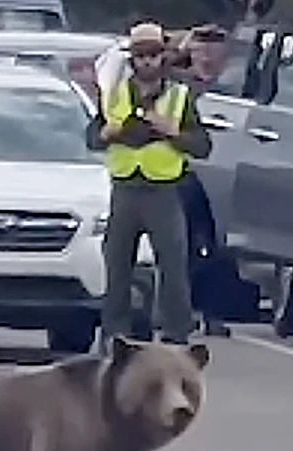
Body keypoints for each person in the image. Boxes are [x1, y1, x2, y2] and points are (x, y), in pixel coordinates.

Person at [88, 22, 213, 348]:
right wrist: (106, 135)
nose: (147, 62)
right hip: (125, 189)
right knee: (117, 266)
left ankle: (175, 336)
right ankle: (115, 335)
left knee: (173, 265)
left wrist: (172, 131)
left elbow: (202, 145)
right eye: (140, 55)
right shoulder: (114, 92)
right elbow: (93, 136)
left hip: (164, 191)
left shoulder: (179, 96)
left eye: (153, 55)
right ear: (132, 59)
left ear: (163, 57)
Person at [174, 23, 234, 337]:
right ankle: (181, 311)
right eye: (202, 46)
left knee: (216, 247)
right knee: (182, 246)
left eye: (216, 47)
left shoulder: (234, 88)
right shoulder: (179, 84)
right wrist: (185, 45)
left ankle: (211, 313)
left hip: (226, 175)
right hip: (185, 173)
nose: (209, 54)